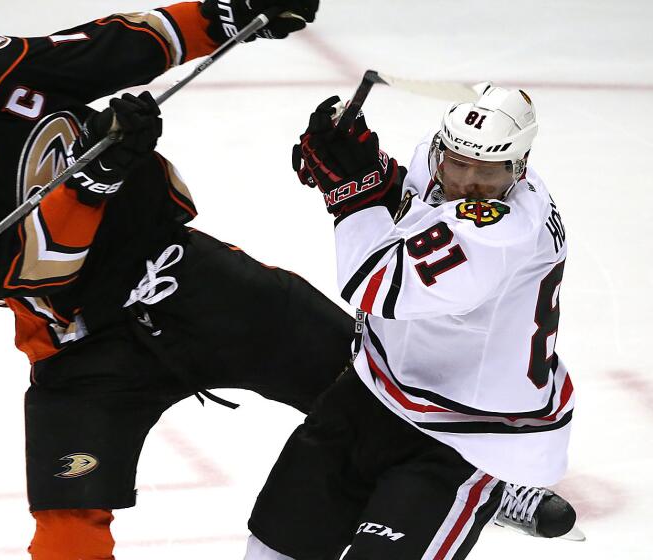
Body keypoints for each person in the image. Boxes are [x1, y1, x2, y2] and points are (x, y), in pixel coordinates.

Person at [0, 2, 350, 558]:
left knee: (370, 388)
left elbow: (116, 45)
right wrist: (94, 179)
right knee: (66, 532)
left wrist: (224, 14)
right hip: (83, 349)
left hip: (180, 274)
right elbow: (43, 266)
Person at [243, 86, 578, 560]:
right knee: (271, 549)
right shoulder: (440, 162)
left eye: (485, 172)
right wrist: (363, 164)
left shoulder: (503, 234)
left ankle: (495, 489)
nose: (464, 180)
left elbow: (374, 284)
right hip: (371, 391)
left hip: (463, 435)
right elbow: (412, 199)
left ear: (518, 168)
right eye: (456, 162)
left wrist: (349, 192)